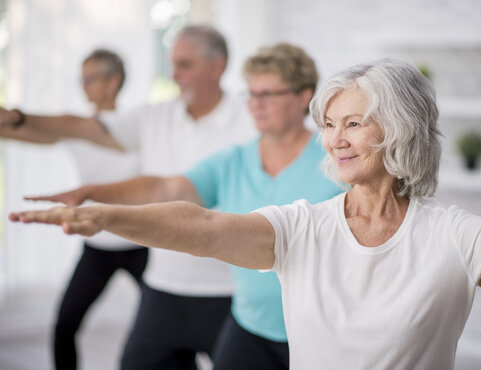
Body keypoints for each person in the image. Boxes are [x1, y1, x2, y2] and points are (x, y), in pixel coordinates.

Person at [9, 58, 481, 370]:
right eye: (330, 124)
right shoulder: (302, 227)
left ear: (401, 128)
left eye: (355, 123)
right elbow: (202, 226)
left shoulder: (454, 236)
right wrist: (109, 216)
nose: (336, 140)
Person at [22, 43, 343, 370]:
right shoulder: (233, 161)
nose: (256, 105)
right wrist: (92, 194)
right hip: (251, 325)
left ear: (304, 96)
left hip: (318, 330)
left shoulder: (335, 160)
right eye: (252, 94)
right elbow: (166, 187)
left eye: (269, 95)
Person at [2, 25, 255, 369]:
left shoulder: (252, 119)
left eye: (185, 65)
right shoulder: (154, 116)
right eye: (172, 64)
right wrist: (18, 118)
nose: (174, 74)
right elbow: (81, 127)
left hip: (228, 291)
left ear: (217, 66)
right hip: (163, 288)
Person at [0, 48, 147, 370]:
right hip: (98, 245)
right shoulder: (72, 129)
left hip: (141, 245)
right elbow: (21, 131)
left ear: (114, 81)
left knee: (166, 327)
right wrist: (9, 121)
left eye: (90, 78)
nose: (84, 85)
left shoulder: (134, 123)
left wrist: (16, 115)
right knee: (65, 325)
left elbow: (74, 125)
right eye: (81, 79)